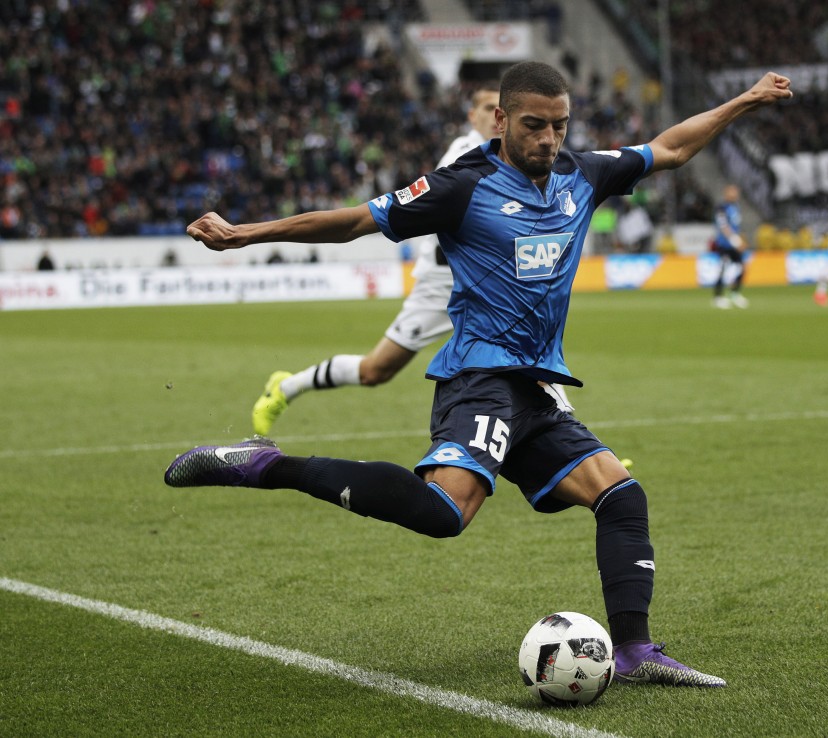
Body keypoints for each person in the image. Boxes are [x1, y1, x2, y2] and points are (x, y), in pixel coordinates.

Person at [168, 61, 793, 688]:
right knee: (444, 512)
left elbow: (670, 149)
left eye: (559, 125)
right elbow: (357, 220)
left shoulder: (582, 174)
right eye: (534, 125)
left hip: (536, 387)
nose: (548, 139)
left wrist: (745, 99)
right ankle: (267, 465)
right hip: (479, 377)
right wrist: (245, 234)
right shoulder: (461, 186)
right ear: (500, 119)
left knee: (621, 495)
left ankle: (633, 652)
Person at [248, 88, 579, 437]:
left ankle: (574, 447)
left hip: (498, 284)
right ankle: (287, 386)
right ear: (475, 116)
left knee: (533, 356)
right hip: (446, 282)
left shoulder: (522, 159)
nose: (493, 115)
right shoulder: (463, 157)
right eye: (486, 107)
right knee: (376, 370)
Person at [709, 184, 748, 309]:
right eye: (732, 192)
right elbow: (723, 227)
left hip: (735, 244)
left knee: (742, 268)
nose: (735, 194)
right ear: (726, 193)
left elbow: (736, 227)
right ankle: (718, 297)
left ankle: (734, 293)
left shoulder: (736, 207)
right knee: (723, 269)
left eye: (736, 192)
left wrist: (741, 240)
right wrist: (736, 241)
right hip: (724, 244)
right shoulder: (721, 208)